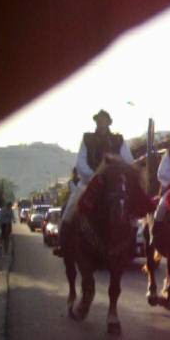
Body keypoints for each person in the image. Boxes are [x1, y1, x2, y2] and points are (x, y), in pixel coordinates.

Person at [54, 110, 134, 257]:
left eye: (104, 120)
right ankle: (63, 242)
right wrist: (94, 176)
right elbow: (80, 162)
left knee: (129, 204)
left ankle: (132, 240)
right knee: (71, 206)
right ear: (96, 122)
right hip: (90, 182)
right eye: (99, 120)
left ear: (109, 122)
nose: (101, 122)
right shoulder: (87, 139)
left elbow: (128, 160)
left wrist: (117, 166)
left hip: (113, 183)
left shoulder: (118, 140)